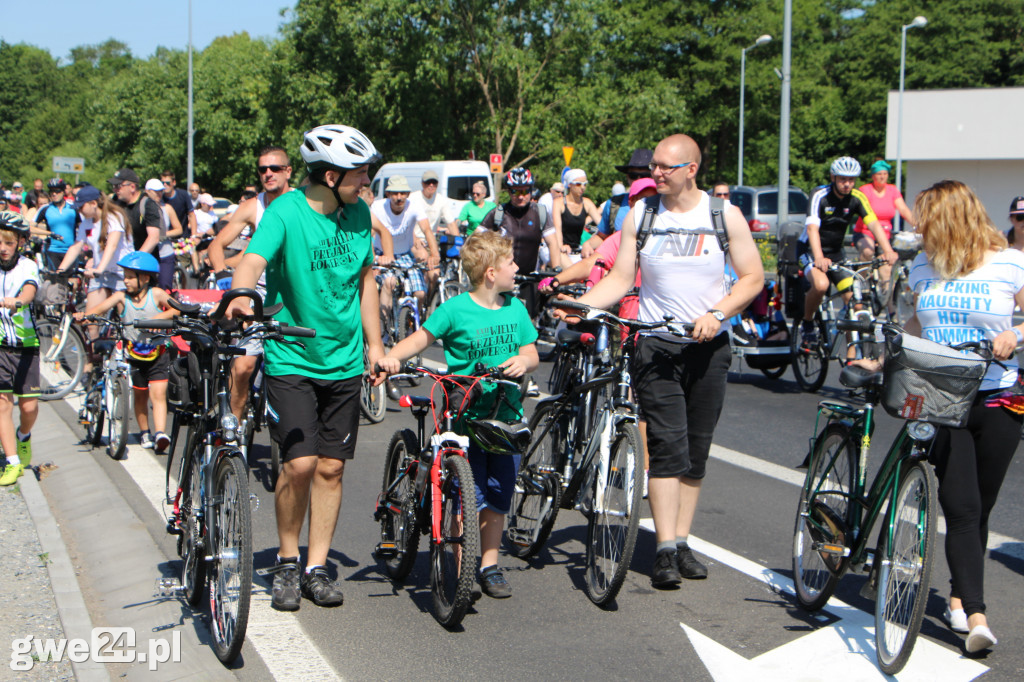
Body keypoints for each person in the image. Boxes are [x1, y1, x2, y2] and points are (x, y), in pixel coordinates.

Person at [560, 134, 764, 588]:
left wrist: (717, 314)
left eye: (665, 167)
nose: (655, 173)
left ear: (691, 169)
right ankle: (665, 549)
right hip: (655, 344)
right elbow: (621, 277)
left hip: (709, 346)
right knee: (669, 445)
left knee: (695, 449)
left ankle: (683, 541)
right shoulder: (642, 214)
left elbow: (753, 278)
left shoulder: (722, 215)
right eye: (653, 165)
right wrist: (580, 307)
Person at [225, 124, 386, 612]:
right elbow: (252, 261)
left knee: (332, 468)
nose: (367, 184)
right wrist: (240, 293)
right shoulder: (287, 211)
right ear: (332, 174)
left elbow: (365, 283)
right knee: (298, 466)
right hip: (293, 355)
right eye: (361, 174)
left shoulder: (359, 214)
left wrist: (376, 345)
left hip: (343, 359)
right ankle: (288, 561)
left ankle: (317, 568)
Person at [378, 230, 538, 598]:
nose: (517, 267)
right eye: (511, 262)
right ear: (491, 273)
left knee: (498, 497)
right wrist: (392, 357)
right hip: (464, 419)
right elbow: (420, 339)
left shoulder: (515, 308)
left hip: (505, 418)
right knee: (468, 495)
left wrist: (523, 360)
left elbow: (532, 353)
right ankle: (464, 565)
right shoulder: (454, 309)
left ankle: (489, 564)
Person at [905, 180, 1024, 654]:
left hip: (998, 398)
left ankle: (957, 592)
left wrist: (1016, 334)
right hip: (941, 398)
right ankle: (976, 615)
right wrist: (892, 349)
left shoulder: (1010, 263)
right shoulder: (921, 265)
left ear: (950, 220)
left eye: (925, 219)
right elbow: (920, 320)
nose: (918, 229)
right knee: (961, 506)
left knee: (982, 506)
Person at [207, 146, 295, 421]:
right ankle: (231, 432)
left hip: (293, 295)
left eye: (275, 168)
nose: (268, 174)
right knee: (244, 366)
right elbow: (217, 245)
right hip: (258, 293)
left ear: (288, 171)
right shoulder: (252, 207)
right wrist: (223, 275)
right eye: (262, 170)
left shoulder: (302, 203)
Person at [78, 252, 176, 452]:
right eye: (125, 276)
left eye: (131, 276)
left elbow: (177, 309)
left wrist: (160, 317)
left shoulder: (156, 294)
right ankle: (145, 433)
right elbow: (100, 309)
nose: (126, 280)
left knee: (158, 394)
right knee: (140, 397)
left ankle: (160, 434)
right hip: (133, 354)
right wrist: (84, 315)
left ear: (145, 278)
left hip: (158, 352)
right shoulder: (121, 297)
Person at [797, 156, 899, 344]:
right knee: (821, 285)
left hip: (836, 253)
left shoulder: (857, 197)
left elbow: (874, 224)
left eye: (851, 180)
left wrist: (888, 250)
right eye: (843, 179)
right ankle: (808, 323)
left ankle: (853, 358)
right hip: (810, 250)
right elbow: (812, 229)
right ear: (833, 177)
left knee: (854, 302)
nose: (847, 184)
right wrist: (819, 257)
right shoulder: (820, 195)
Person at [56, 186, 133, 343]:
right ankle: (93, 361)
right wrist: (60, 269)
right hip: (101, 274)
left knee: (127, 322)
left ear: (93, 203)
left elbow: (111, 245)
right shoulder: (86, 223)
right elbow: (77, 246)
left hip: (121, 273)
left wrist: (99, 268)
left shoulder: (114, 217)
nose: (79, 211)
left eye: (81, 207)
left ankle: (127, 356)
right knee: (91, 320)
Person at [477, 167, 559, 315]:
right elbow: (475, 241)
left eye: (525, 191)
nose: (520, 196)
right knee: (499, 320)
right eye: (515, 191)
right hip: (501, 279)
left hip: (530, 278)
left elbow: (553, 243)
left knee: (528, 323)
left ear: (531, 190)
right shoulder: (498, 213)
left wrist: (556, 272)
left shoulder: (539, 213)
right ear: (508, 191)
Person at [0, 213, 40, 487]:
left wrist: (18, 302)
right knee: (3, 404)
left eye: (9, 242)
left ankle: (23, 436)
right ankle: (12, 462)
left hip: (27, 346)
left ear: (21, 243)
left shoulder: (28, 266)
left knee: (29, 407)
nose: (2, 247)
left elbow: (29, 290)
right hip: (1, 345)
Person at [371, 175, 439, 314]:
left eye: (403, 193)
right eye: (395, 193)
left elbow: (426, 229)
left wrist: (434, 254)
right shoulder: (378, 207)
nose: (399, 197)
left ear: (408, 194)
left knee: (420, 293)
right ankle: (385, 330)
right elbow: (367, 234)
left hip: (405, 254)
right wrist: (373, 257)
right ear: (388, 194)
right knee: (389, 283)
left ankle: (413, 323)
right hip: (382, 254)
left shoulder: (414, 206)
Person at [853, 159, 916, 293]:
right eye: (879, 174)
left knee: (888, 268)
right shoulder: (866, 190)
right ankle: (860, 285)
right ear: (873, 176)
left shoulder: (892, 190)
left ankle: (889, 305)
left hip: (885, 234)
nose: (882, 177)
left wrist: (919, 225)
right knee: (867, 252)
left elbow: (903, 210)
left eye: (885, 174)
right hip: (866, 232)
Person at [594, 148, 654, 248]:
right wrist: (588, 244)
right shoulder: (614, 203)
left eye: (645, 175)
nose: (638, 179)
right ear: (627, 177)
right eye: (633, 175)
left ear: (654, 175)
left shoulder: (665, 202)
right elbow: (602, 237)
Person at [552, 169, 602, 264]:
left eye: (585, 184)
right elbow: (557, 228)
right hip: (559, 250)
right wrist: (561, 245)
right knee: (571, 271)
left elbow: (603, 227)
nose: (582, 187)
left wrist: (591, 243)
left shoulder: (587, 203)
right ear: (570, 184)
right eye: (578, 184)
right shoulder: (559, 203)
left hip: (577, 251)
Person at [110, 168, 162, 256]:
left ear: (132, 187)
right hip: (120, 263)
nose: (115, 190)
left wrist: (135, 259)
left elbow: (154, 237)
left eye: (118, 186)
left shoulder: (147, 204)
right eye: (114, 186)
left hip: (143, 263)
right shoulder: (115, 203)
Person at [32, 178, 80, 270]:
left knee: (72, 281)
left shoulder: (73, 207)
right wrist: (50, 234)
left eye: (57, 191)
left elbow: (83, 227)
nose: (54, 194)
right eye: (51, 192)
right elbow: (29, 227)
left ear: (63, 192)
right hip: (53, 250)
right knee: (56, 279)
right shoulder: (45, 208)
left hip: (72, 250)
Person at [145, 179, 183, 289]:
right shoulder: (142, 208)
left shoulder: (167, 208)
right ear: (147, 191)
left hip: (165, 253)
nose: (159, 194)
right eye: (156, 191)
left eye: (161, 191)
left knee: (165, 286)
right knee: (147, 286)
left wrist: (163, 235)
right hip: (149, 253)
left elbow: (178, 229)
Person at [160, 171, 197, 239]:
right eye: (162, 183)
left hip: (183, 237)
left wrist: (194, 235)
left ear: (174, 183)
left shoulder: (183, 195)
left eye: (168, 183)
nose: (165, 185)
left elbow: (191, 215)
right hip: (167, 238)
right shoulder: (159, 198)